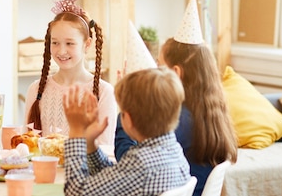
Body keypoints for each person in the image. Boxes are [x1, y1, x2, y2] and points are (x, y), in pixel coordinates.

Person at [114, 0, 238, 196]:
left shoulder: (179, 119)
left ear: (177, 73)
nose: (156, 71)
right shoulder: (210, 109)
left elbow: (128, 161)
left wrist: (125, 107)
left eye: (160, 66)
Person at [63, 67, 191, 195]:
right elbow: (115, 180)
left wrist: (76, 131)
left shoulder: (140, 162)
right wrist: (90, 144)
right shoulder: (173, 150)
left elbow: (76, 192)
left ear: (128, 120)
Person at [25, 0, 117, 145]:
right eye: (55, 42)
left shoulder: (103, 92)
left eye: (70, 43)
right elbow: (28, 144)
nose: (61, 51)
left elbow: (105, 150)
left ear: (87, 44)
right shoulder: (36, 90)